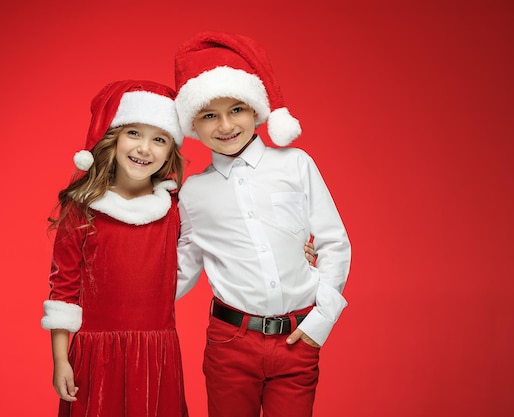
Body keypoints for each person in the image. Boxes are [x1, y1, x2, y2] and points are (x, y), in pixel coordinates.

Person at [174, 32, 351, 417]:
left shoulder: (295, 164)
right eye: (208, 115)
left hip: (297, 340)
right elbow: (182, 269)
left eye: (236, 109)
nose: (224, 125)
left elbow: (334, 242)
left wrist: (322, 321)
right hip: (230, 344)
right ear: (193, 124)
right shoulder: (193, 193)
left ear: (255, 110)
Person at [41, 80, 188, 417]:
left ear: (170, 151)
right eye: (134, 133)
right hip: (97, 357)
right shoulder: (81, 208)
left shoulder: (174, 209)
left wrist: (297, 250)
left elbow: (223, 239)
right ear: (114, 138)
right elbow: (63, 289)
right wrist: (61, 360)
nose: (145, 149)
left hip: (157, 356)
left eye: (159, 139)